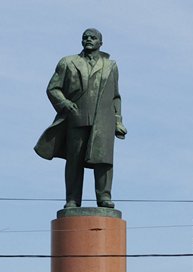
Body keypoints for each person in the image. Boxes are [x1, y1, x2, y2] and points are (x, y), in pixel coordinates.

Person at [34, 28, 127, 208]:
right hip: (77, 117)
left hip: (104, 120)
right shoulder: (68, 62)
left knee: (104, 161)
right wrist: (65, 104)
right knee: (74, 161)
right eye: (85, 37)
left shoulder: (111, 66)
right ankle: (72, 199)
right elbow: (53, 88)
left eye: (93, 38)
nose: (89, 40)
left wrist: (118, 120)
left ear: (101, 43)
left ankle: (104, 197)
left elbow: (115, 96)